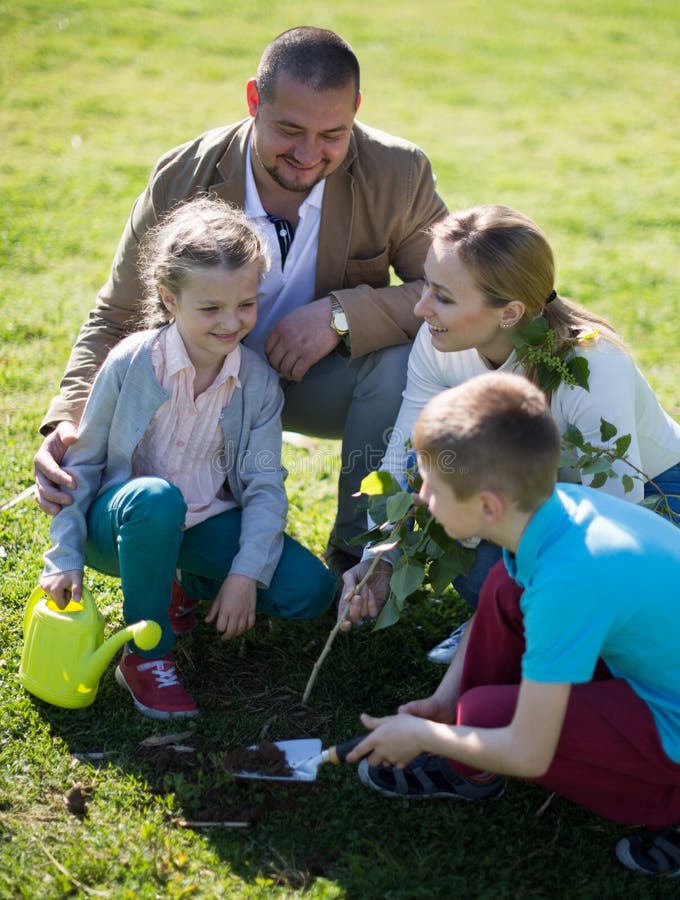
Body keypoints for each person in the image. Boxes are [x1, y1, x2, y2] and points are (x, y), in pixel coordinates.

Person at [33, 26, 448, 574]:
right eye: (289, 129)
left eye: (332, 134)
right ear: (254, 99)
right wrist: (68, 419)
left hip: (315, 379)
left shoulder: (400, 171)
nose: (308, 154)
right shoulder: (183, 173)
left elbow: (444, 290)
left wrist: (340, 314)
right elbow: (115, 314)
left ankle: (356, 554)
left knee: (399, 362)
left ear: (357, 110)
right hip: (195, 387)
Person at [346, 372, 680, 877]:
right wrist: (439, 705)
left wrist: (425, 736)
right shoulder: (551, 513)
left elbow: (529, 751)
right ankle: (471, 760)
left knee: (486, 715)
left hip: (671, 720)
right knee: (504, 587)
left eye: (432, 487)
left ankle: (671, 807)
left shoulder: (569, 581)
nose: (420, 498)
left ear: (486, 506)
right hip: (654, 671)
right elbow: (506, 596)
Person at [340, 204, 680, 659]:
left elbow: (617, 513)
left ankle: (527, 626)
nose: (421, 309)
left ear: (509, 312)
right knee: (450, 506)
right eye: (425, 286)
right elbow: (406, 452)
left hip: (650, 498)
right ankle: (504, 617)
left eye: (443, 296)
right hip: (530, 499)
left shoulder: (591, 366)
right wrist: (379, 558)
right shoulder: (438, 343)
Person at [39, 198, 336, 719]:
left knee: (309, 591)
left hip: (202, 521)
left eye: (246, 305)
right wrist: (64, 555)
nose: (232, 323)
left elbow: (264, 487)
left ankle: (187, 584)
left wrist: (244, 575)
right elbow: (81, 468)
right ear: (168, 299)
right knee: (157, 498)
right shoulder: (131, 362)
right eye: (210, 308)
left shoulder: (258, 383)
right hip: (122, 522)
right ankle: (146, 655)